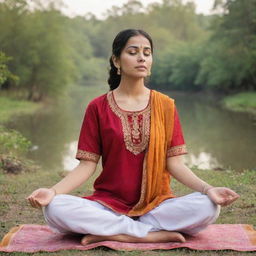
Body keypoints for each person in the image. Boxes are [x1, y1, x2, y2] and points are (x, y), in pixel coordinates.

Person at [27, 29, 239, 245]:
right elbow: (87, 166)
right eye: (133, 52)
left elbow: (175, 164)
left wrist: (209, 189)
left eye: (147, 53)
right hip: (107, 204)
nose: (141, 58)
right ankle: (149, 234)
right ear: (116, 60)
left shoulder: (165, 105)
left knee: (209, 206)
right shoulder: (98, 107)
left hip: (157, 205)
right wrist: (52, 191)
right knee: (55, 207)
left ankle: (114, 232)